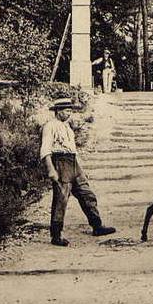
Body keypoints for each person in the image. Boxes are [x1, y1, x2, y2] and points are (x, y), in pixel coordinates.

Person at [40, 98, 116, 246]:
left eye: (70, 110)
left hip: (73, 163)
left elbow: (73, 150)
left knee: (87, 195)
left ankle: (97, 226)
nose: (69, 113)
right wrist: (51, 169)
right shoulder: (49, 126)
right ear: (58, 111)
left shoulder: (67, 127)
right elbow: (45, 150)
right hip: (60, 162)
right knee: (61, 200)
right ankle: (56, 236)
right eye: (66, 110)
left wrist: (79, 168)